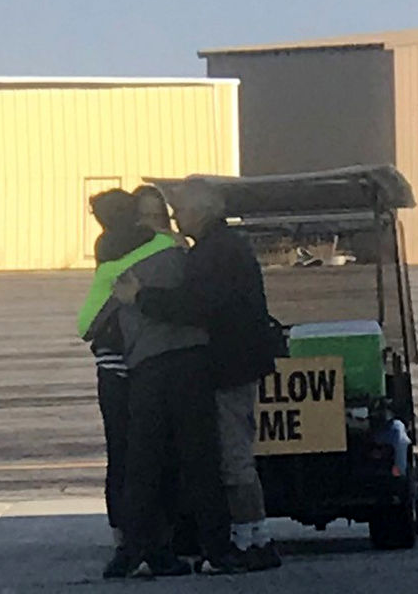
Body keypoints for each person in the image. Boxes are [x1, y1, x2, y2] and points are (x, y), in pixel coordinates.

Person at [128, 177, 282, 572]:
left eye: (179, 211)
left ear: (200, 211)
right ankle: (251, 537)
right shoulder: (224, 247)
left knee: (233, 458)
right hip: (238, 363)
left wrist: (141, 297)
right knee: (234, 454)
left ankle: (252, 541)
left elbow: (197, 305)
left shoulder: (215, 253)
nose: (175, 218)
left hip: (229, 368)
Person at [108, 185, 247, 578]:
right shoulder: (179, 255)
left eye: (163, 216)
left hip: (164, 363)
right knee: (180, 460)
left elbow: (95, 318)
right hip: (171, 363)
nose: (160, 223)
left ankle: (149, 549)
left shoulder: (129, 258)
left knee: (163, 462)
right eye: (152, 217)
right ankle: (205, 548)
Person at [77, 189, 153, 547]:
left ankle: (122, 526)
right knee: (147, 445)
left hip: (110, 358)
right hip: (143, 354)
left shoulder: (105, 245)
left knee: (118, 446)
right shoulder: (151, 242)